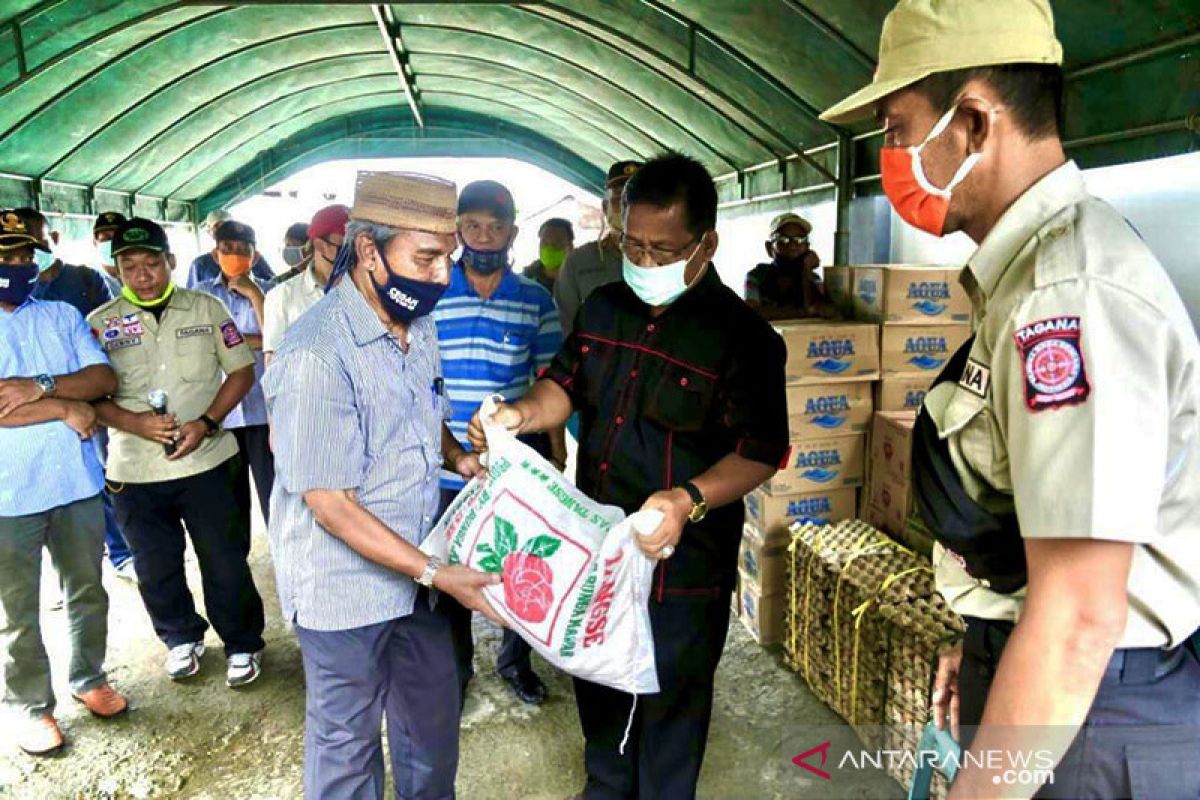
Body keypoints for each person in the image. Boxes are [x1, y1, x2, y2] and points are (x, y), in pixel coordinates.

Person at [822, 1, 1200, 797]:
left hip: (1094, 714)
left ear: (972, 123)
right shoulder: (1025, 275)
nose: (890, 155)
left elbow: (1079, 620)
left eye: (897, 126)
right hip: (1062, 691)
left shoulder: (1070, 295)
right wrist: (983, 635)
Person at [468, 153, 789, 799]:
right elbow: (563, 386)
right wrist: (518, 414)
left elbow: (761, 451)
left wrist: (687, 498)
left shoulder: (743, 338)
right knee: (602, 689)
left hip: (684, 562)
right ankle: (605, 788)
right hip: (602, 548)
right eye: (633, 245)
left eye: (661, 250)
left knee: (671, 704)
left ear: (706, 244)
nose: (644, 263)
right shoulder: (605, 308)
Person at [263, 171, 505, 799]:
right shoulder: (315, 354)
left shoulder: (418, 328)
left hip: (418, 581)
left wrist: (460, 459)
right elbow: (331, 505)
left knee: (431, 731)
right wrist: (434, 572)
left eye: (446, 258)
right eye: (425, 258)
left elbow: (426, 416)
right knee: (346, 749)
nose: (441, 275)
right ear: (369, 250)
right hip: (342, 593)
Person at [87, 218, 267, 688]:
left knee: (224, 558)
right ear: (116, 268)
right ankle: (180, 637)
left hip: (208, 460)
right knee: (154, 563)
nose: (143, 274)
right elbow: (91, 397)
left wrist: (207, 422)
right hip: (135, 469)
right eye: (130, 266)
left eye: (152, 263)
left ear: (170, 261)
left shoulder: (206, 309)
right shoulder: (99, 324)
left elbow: (241, 372)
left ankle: (243, 643)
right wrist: (136, 423)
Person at [433, 180, 566, 706]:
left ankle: (515, 661)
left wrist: (555, 453)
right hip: (444, 459)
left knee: (520, 565)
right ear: (458, 229)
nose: (484, 239)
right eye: (473, 227)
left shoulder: (535, 299)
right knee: (450, 568)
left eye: (496, 228)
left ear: (514, 231)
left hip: (516, 463)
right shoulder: (434, 292)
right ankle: (456, 668)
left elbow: (551, 378)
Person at [0, 209, 128, 756]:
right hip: (8, 493)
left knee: (87, 592)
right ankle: (33, 706)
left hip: (75, 482)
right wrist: (63, 407)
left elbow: (104, 378)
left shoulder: (58, 314)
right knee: (17, 610)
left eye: (25, 256)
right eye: (6, 258)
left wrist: (39, 387)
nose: (19, 266)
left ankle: (89, 679)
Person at [20, 208, 137, 581]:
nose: (25, 261)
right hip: (35, 425)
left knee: (101, 475)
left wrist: (46, 388)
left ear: (51, 240)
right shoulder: (21, 294)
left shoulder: (83, 281)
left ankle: (120, 551)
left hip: (89, 404)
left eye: (32, 247)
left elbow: (101, 365)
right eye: (10, 256)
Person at [193, 220, 275, 524]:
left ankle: (286, 561)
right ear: (215, 255)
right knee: (230, 503)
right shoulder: (200, 295)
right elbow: (202, 343)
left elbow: (279, 340)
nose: (235, 255)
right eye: (227, 249)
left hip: (264, 412)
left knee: (275, 496)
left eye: (243, 250)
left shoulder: (271, 291)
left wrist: (255, 295)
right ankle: (235, 565)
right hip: (220, 413)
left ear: (254, 256)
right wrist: (255, 342)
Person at [554, 160, 641, 336]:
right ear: (604, 207)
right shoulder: (578, 262)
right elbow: (564, 330)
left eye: (637, 199)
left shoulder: (668, 260)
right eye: (619, 198)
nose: (627, 207)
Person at [262, 204, 349, 364]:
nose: (353, 252)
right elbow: (274, 365)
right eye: (345, 245)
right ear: (320, 245)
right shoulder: (283, 296)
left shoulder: (369, 293)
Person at [744, 212, 836, 320]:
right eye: (783, 240)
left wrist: (806, 271)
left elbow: (825, 310)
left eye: (799, 240)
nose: (792, 246)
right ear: (769, 248)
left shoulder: (814, 279)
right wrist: (803, 312)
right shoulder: (756, 276)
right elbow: (750, 314)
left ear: (807, 247)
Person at [186, 209, 275, 287]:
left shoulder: (254, 259)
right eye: (216, 226)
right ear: (209, 231)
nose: (223, 229)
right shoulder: (201, 265)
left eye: (227, 225)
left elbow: (272, 281)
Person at [522, 217, 575, 293]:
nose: (550, 248)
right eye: (545, 242)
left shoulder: (579, 279)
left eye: (556, 243)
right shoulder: (527, 279)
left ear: (570, 246)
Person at [93, 211, 126, 296]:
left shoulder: (140, 274)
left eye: (118, 237)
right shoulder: (90, 279)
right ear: (95, 242)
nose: (112, 243)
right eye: (106, 238)